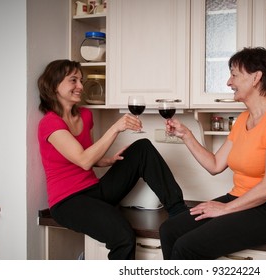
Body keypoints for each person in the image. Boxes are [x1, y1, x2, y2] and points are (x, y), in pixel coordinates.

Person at [159, 47, 266, 260]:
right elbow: (215, 165)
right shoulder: (243, 119)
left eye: (234, 75)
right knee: (169, 230)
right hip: (242, 199)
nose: (229, 82)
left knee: (187, 247)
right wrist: (186, 135)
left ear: (256, 78)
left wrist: (225, 209)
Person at [37, 59, 187, 260]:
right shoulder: (49, 123)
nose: (81, 86)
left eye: (81, 80)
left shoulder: (84, 115)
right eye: (73, 80)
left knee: (142, 148)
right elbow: (83, 160)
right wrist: (116, 128)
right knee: (123, 237)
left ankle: (179, 212)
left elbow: (86, 154)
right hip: (68, 202)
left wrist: (105, 161)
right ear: (54, 85)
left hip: (94, 190)